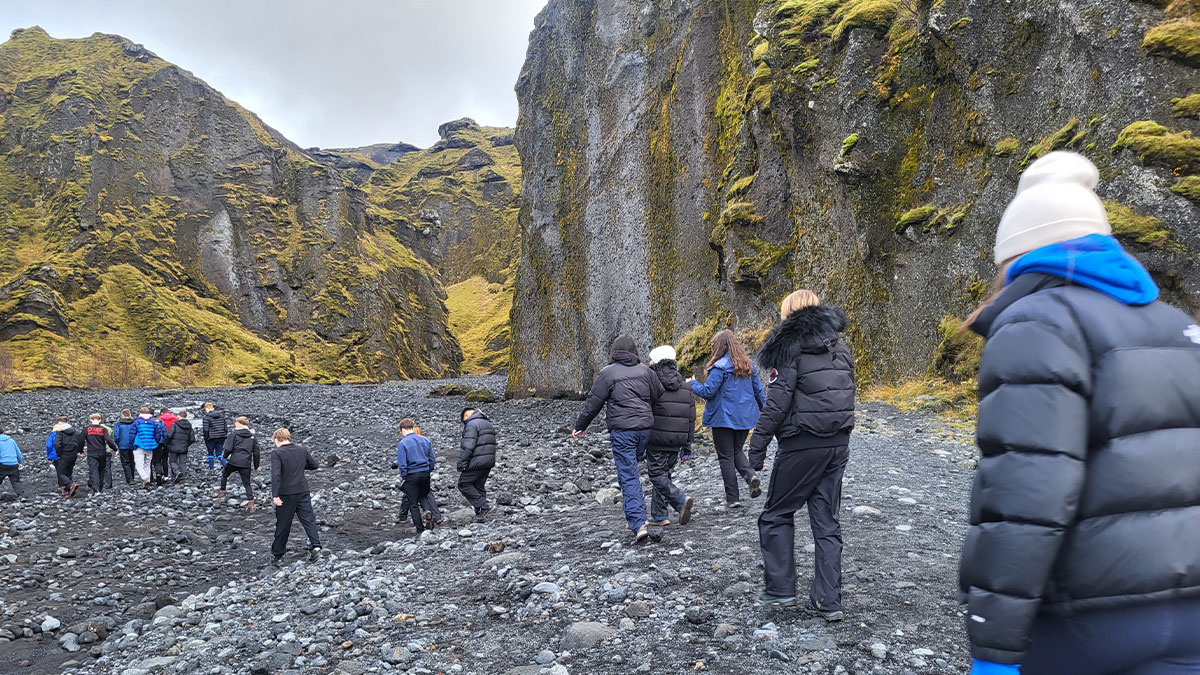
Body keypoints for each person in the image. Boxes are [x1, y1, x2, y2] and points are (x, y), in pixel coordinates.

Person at [957, 152, 1200, 675]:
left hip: (1089, 618)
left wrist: (994, 648)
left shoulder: (1037, 321)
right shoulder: (1176, 324)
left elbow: (1028, 490)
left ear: (1017, 252)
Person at [748, 289, 855, 620]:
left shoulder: (789, 352)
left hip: (802, 444)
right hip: (838, 444)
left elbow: (777, 403)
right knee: (826, 522)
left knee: (776, 513)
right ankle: (828, 600)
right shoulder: (841, 350)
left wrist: (757, 445)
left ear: (789, 316)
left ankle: (780, 590)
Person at [573, 335, 663, 543]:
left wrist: (580, 426)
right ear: (634, 351)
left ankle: (638, 522)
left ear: (614, 351)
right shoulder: (645, 371)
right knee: (634, 469)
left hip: (623, 431)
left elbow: (593, 403)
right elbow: (658, 395)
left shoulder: (607, 374)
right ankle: (639, 512)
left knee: (629, 475)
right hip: (645, 429)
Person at [688, 329, 766, 507]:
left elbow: (707, 392)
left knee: (725, 457)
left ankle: (733, 499)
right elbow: (759, 393)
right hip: (745, 417)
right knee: (737, 450)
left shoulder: (719, 368)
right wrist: (768, 413)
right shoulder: (749, 366)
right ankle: (750, 475)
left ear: (719, 347)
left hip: (723, 419)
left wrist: (691, 383)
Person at [645, 345, 695, 527]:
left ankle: (680, 500)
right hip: (677, 441)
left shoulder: (651, 385)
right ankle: (659, 515)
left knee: (657, 476)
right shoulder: (686, 387)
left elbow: (645, 411)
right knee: (665, 475)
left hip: (656, 440)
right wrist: (688, 444)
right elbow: (691, 418)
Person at [269, 428, 322, 566]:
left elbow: (276, 475)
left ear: (277, 439)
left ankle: (278, 555)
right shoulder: (302, 449)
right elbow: (314, 465)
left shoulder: (277, 452)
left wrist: (275, 495)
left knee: (283, 524)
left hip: (286, 493)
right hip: (302, 490)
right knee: (308, 519)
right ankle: (316, 547)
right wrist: (298, 468)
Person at [396, 418, 436, 534]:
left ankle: (420, 529)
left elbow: (402, 463)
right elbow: (432, 458)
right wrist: (429, 470)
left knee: (413, 504)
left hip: (412, 475)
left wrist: (404, 476)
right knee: (423, 496)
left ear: (402, 430)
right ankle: (428, 512)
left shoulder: (402, 443)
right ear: (412, 428)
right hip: (425, 473)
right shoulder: (425, 440)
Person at [457, 407, 496, 520]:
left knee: (464, 484)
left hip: (476, 461)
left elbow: (468, 446)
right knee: (478, 485)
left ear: (467, 416)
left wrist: (462, 462)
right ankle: (481, 513)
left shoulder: (471, 424)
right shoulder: (487, 423)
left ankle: (484, 505)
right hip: (488, 460)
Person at [220, 417, 260, 510]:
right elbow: (256, 452)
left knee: (225, 474)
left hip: (234, 461)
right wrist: (256, 466)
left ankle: (222, 494)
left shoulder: (234, 434)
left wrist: (224, 457)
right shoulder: (252, 436)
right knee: (247, 483)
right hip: (246, 462)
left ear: (240, 423)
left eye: (236, 422)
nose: (235, 424)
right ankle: (251, 502)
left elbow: (228, 448)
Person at [47, 418, 85, 497]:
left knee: (61, 473)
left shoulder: (60, 433)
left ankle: (71, 485)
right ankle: (69, 489)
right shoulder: (76, 432)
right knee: (68, 472)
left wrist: (59, 454)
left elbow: (57, 444)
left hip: (64, 455)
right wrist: (79, 450)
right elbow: (81, 441)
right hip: (73, 455)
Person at [83, 413, 118, 495]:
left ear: (90, 420)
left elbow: (81, 440)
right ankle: (100, 487)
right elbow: (109, 440)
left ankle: (96, 489)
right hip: (102, 452)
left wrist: (80, 450)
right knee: (101, 470)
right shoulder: (103, 429)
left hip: (92, 452)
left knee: (93, 470)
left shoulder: (86, 429)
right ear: (100, 420)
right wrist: (115, 449)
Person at [131, 407, 164, 488]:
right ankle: (147, 480)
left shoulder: (136, 422)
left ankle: (144, 478)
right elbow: (158, 434)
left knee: (139, 465)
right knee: (147, 464)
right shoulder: (153, 423)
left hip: (139, 445)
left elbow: (132, 435)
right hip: (150, 445)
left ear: (140, 413)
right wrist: (154, 442)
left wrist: (132, 445)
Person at [164, 410, 196, 483]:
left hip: (174, 446)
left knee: (172, 461)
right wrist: (186, 444)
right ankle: (183, 477)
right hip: (184, 447)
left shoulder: (175, 424)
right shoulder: (189, 426)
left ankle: (177, 472)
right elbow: (192, 439)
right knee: (183, 462)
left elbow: (169, 435)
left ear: (179, 416)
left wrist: (167, 443)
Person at [153, 408, 178, 484]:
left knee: (157, 459)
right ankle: (167, 475)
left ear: (161, 413)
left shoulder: (160, 420)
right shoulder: (174, 418)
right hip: (170, 439)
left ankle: (158, 473)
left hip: (158, 442)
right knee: (166, 459)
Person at [112, 409, 138, 485]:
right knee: (132, 462)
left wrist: (118, 443)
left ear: (122, 415)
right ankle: (132, 477)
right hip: (133, 445)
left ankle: (129, 479)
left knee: (125, 462)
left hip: (123, 445)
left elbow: (116, 436)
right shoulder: (134, 423)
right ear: (130, 415)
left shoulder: (118, 424)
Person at [201, 403, 229, 471]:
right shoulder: (221, 416)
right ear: (213, 408)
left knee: (210, 453)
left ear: (206, 409)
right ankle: (227, 466)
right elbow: (225, 427)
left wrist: (206, 438)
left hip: (211, 438)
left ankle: (211, 469)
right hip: (221, 436)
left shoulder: (206, 417)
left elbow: (206, 429)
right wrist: (224, 434)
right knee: (219, 454)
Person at [0, 425, 25, 499]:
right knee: (16, 481)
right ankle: (21, 496)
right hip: (14, 464)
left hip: (2, 464)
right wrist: (19, 463)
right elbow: (19, 454)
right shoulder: (11, 440)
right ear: (3, 432)